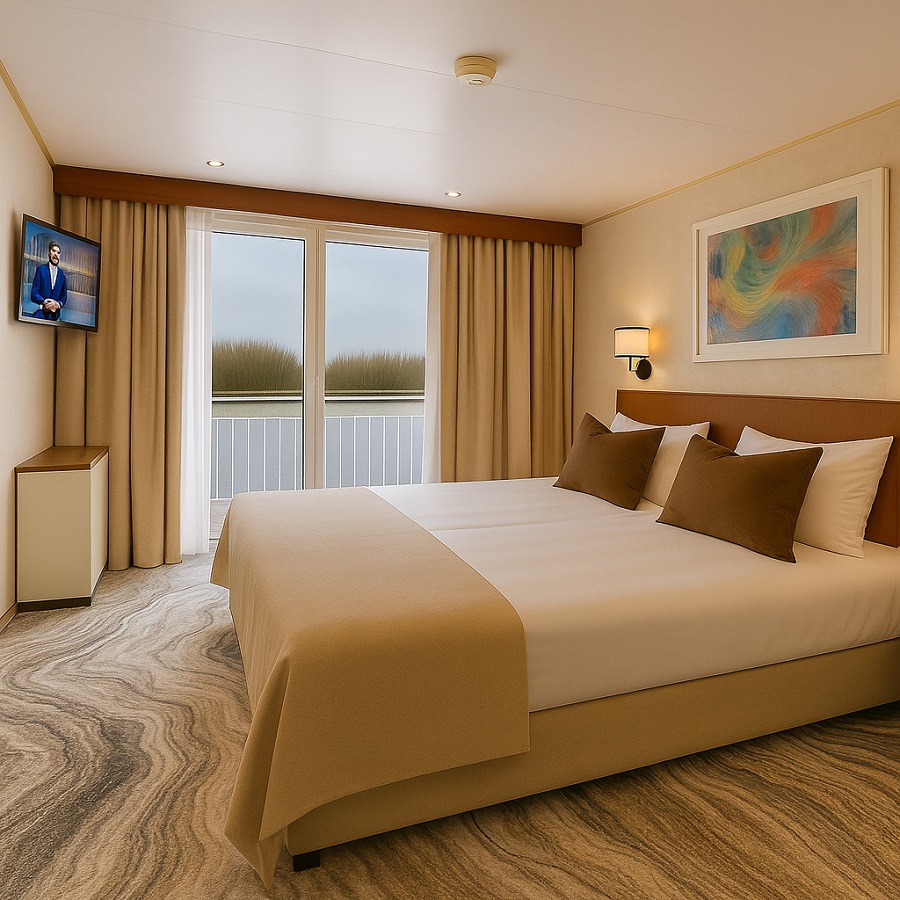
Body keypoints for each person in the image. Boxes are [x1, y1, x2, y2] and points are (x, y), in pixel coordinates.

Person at [31, 240, 68, 320]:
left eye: (58, 253)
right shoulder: (41, 270)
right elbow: (34, 293)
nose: (56, 254)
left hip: (55, 317)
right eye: (53, 251)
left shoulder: (62, 275)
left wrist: (57, 304)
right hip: (41, 314)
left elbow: (64, 297)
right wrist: (44, 302)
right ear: (49, 253)